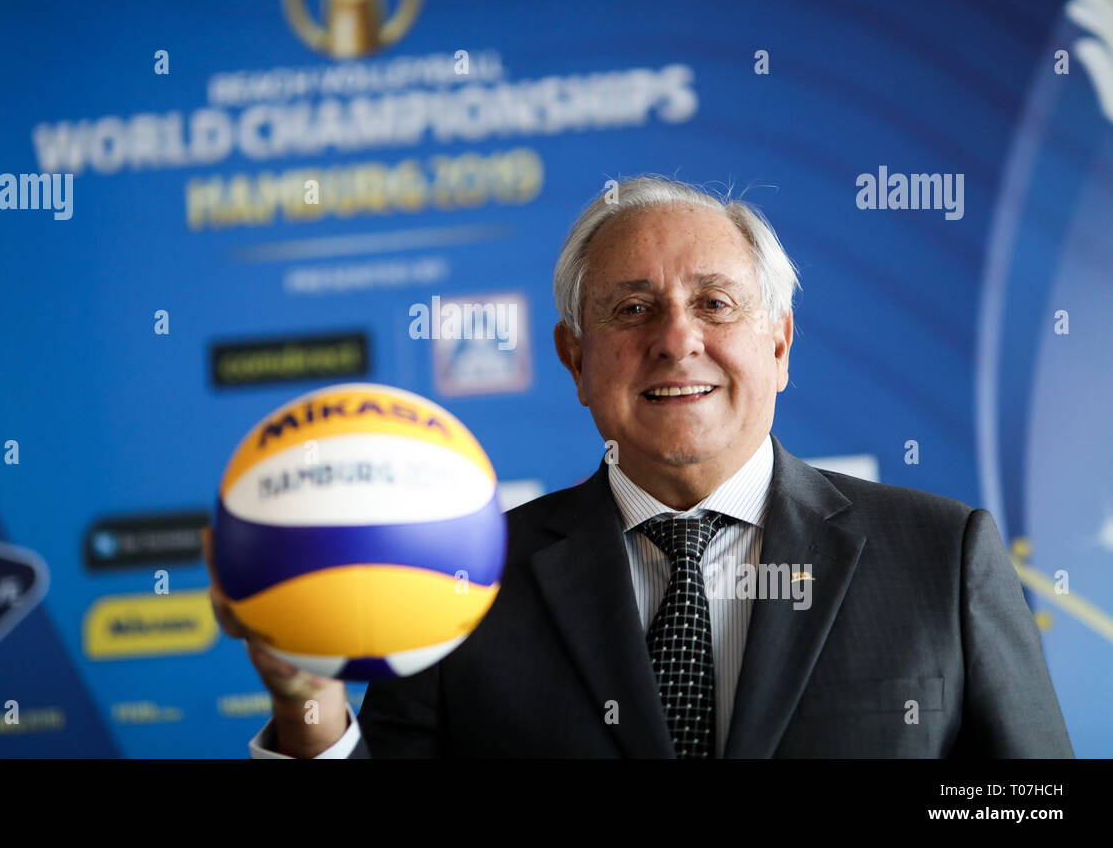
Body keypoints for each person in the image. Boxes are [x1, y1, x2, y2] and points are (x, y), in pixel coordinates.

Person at [203, 173, 1074, 758]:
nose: (676, 340)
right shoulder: (459, 575)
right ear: (575, 360)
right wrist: (307, 707)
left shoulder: (939, 552)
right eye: (632, 309)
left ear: (778, 345)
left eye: (715, 303)